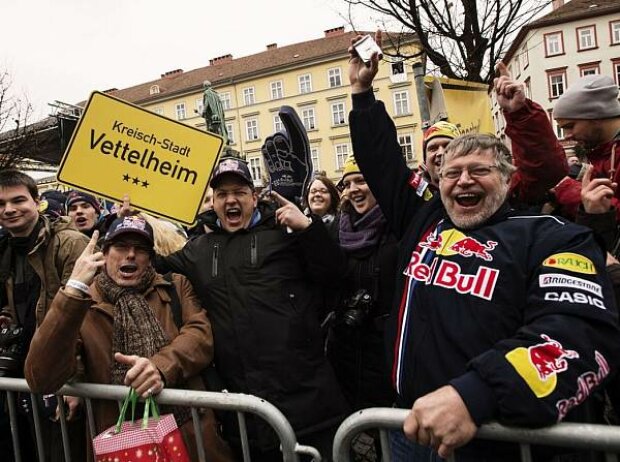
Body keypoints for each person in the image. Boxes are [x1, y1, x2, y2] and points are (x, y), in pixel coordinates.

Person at [347, 32, 620, 461]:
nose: (463, 180)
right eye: (452, 173)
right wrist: (362, 93)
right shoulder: (424, 219)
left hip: (498, 438)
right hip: (411, 430)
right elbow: (382, 162)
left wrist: (476, 395)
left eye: (479, 170)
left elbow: (580, 334)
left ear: (509, 180)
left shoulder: (550, 235)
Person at [156, 157, 349, 461]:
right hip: (246, 415)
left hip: (308, 405)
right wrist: (127, 222)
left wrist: (308, 229)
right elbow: (153, 268)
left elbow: (335, 275)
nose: (231, 200)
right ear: (214, 203)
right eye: (221, 194)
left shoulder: (285, 234)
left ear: (254, 197)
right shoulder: (198, 250)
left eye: (239, 192)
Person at [24, 216, 233, 462]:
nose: (131, 255)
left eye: (141, 249)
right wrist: (72, 290)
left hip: (191, 434)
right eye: (121, 247)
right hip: (120, 442)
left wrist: (159, 367)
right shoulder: (82, 301)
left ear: (150, 257)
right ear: (104, 253)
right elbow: (41, 377)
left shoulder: (175, 286)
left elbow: (199, 334)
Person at [0, 169, 89, 461]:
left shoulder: (69, 243)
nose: (9, 210)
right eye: (1, 204)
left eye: (18, 200)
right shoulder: (6, 248)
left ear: (37, 202)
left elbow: (84, 314)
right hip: (24, 373)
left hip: (60, 375)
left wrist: (74, 379)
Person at [326, 154, 396, 460]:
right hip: (345, 350)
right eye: (348, 183)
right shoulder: (336, 230)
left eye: (361, 180)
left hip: (385, 354)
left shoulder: (397, 226)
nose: (354, 189)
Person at [549, 75, 620, 219]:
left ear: (595, 117)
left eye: (570, 126)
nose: (567, 135)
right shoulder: (602, 152)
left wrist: (570, 191)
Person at [303, 174, 340, 239]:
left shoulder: (342, 224)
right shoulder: (297, 223)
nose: (317, 194)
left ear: (332, 197)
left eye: (323, 191)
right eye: (313, 191)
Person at [202, 80, 228, 144]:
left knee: (213, 129)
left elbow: (207, 103)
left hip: (213, 116)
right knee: (221, 127)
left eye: (203, 86)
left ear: (205, 86)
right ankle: (224, 140)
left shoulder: (207, 92)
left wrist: (204, 111)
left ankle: (218, 143)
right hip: (219, 115)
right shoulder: (216, 94)